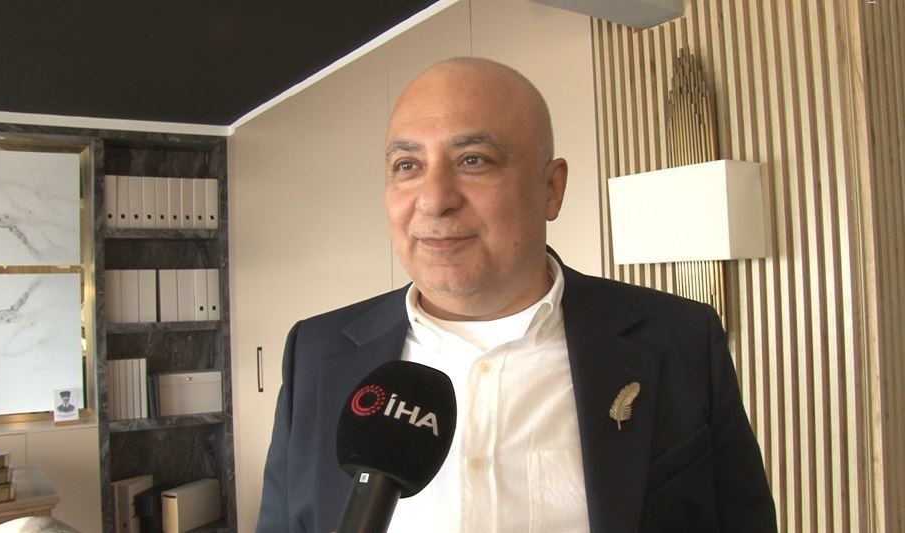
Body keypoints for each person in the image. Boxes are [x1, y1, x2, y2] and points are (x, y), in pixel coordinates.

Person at [256, 57, 776, 533]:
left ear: (551, 188)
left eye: (473, 160)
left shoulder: (679, 340)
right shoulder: (315, 353)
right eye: (407, 166)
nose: (434, 200)